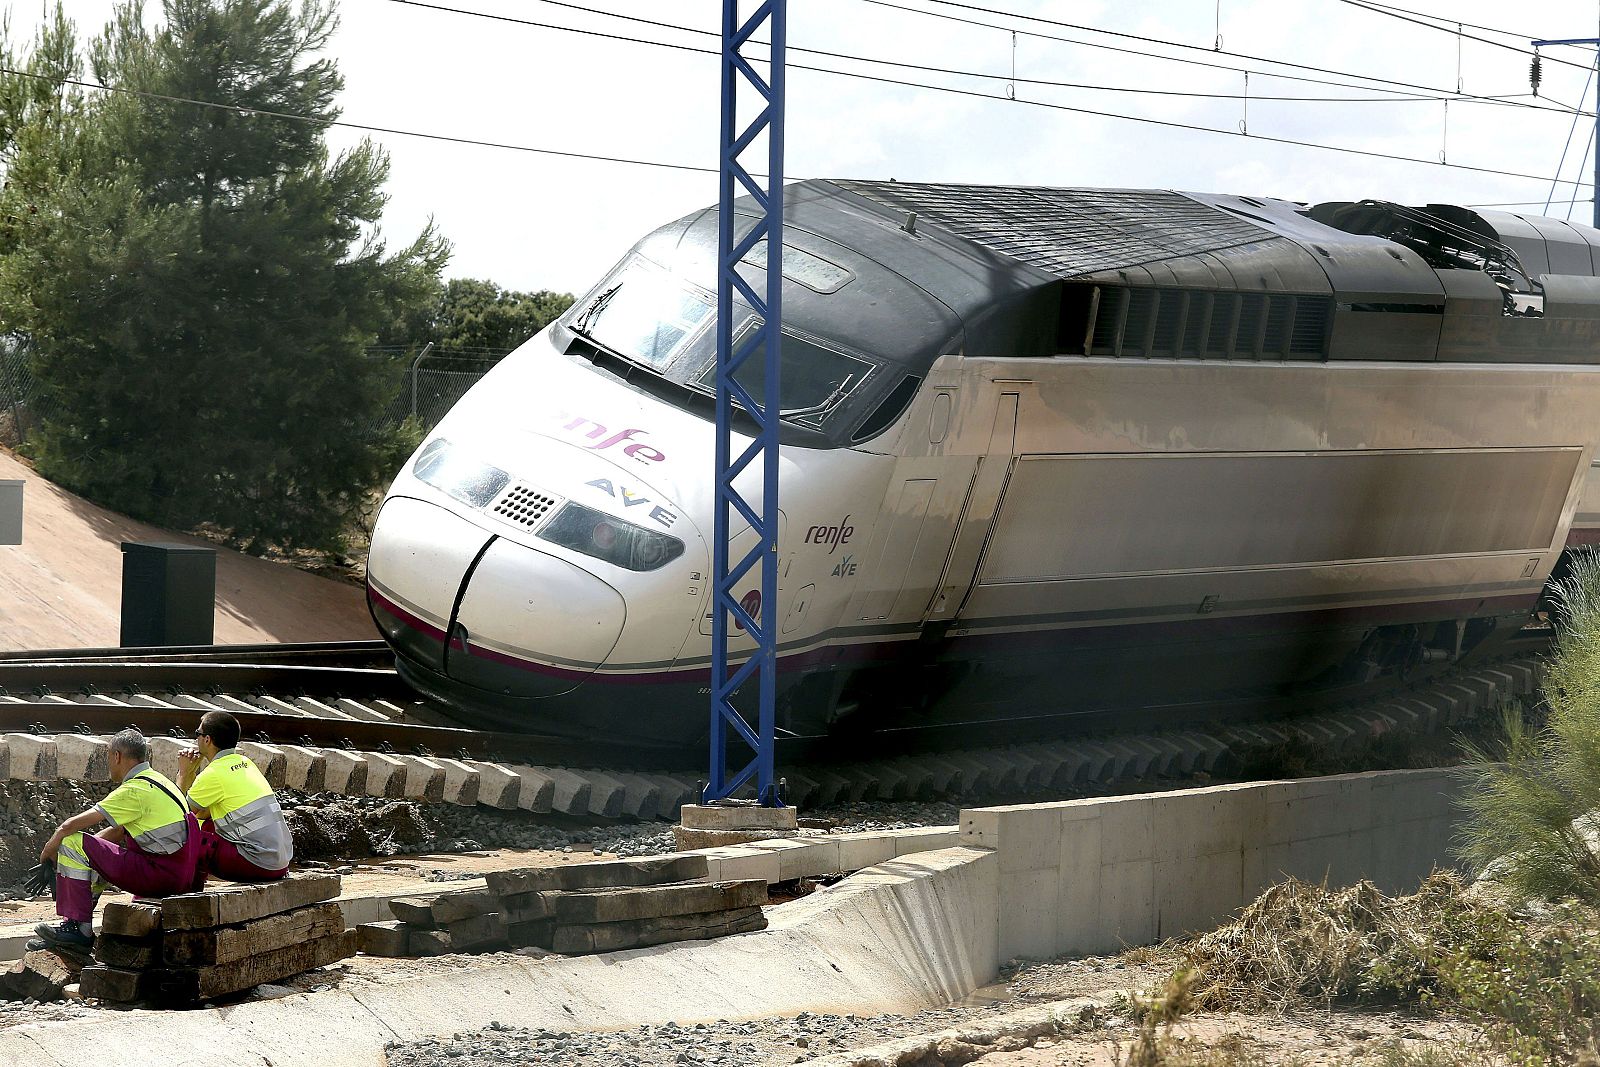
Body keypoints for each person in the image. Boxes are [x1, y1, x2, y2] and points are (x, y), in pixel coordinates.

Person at [34, 728, 198, 951]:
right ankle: (74, 923)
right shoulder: (160, 781)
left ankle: (78, 928)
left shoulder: (134, 789)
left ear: (117, 756)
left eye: (109, 757)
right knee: (92, 852)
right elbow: (117, 832)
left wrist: (48, 853)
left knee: (71, 841)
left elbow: (68, 827)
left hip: (160, 877)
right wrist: (87, 857)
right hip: (177, 875)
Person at [178, 711, 293, 883]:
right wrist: (192, 773)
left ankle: (186, 890)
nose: (196, 739)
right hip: (279, 864)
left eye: (198, 734)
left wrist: (183, 773)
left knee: (186, 835)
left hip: (256, 865)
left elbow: (176, 817)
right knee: (206, 824)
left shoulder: (214, 774)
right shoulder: (246, 763)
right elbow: (202, 813)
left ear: (207, 739)